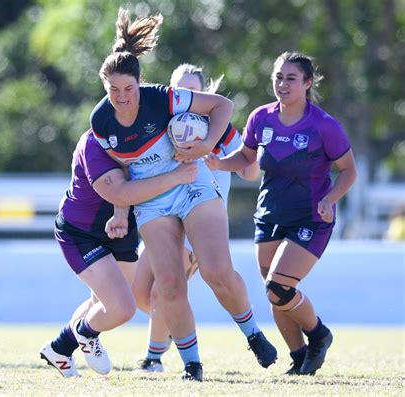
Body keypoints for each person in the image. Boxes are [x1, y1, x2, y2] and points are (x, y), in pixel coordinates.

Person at [91, 8, 277, 381]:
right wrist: (121, 213)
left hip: (193, 184)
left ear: (140, 83)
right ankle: (191, 364)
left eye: (129, 89)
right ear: (104, 87)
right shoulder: (102, 122)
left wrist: (206, 144)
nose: (122, 97)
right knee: (167, 286)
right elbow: (119, 173)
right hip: (153, 200)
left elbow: (223, 106)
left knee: (216, 271)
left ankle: (252, 333)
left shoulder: (164, 99)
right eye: (114, 90)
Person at [206, 52, 357, 375]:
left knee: (279, 288)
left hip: (310, 219)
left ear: (307, 83)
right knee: (274, 294)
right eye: (278, 77)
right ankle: (300, 356)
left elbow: (348, 171)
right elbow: (245, 157)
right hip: (269, 216)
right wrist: (218, 163)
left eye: (291, 78)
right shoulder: (261, 118)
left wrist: (331, 199)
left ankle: (318, 334)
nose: (282, 84)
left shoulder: (324, 125)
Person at [39, 128, 198, 378]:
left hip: (121, 231)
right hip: (81, 232)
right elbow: (121, 192)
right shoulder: (92, 144)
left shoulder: (148, 131)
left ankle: (59, 349)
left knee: (101, 303)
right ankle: (86, 333)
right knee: (122, 308)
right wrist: (177, 176)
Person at [135, 63, 260, 373]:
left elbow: (249, 170)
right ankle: (165, 339)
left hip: (199, 218)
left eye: (194, 89)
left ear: (206, 93)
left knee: (161, 291)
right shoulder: (163, 123)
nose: (187, 95)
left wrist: (243, 154)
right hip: (163, 216)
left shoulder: (221, 129)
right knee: (139, 294)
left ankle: (154, 359)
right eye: (181, 89)